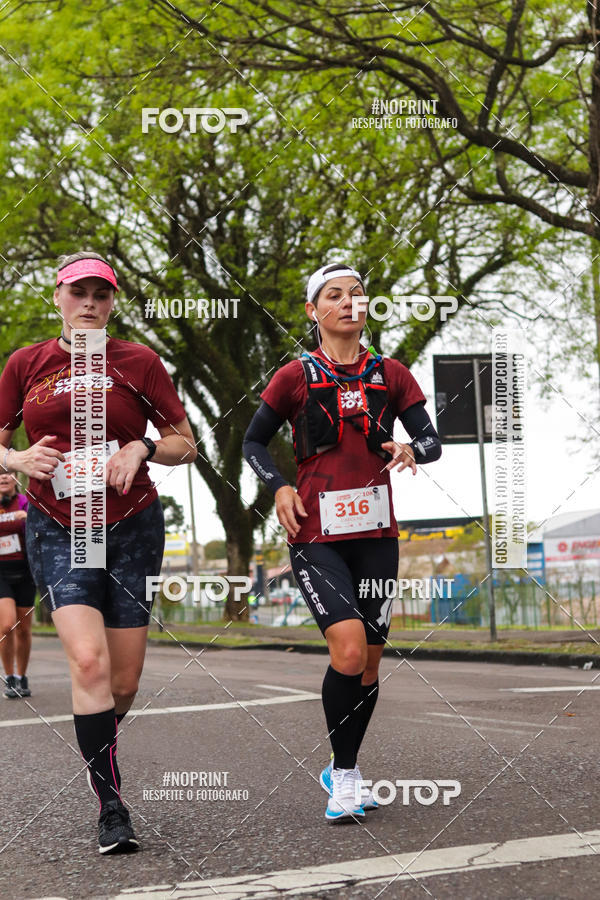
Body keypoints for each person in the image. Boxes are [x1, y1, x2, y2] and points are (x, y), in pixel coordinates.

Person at [0, 251, 197, 853]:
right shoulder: (26, 364)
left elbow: (184, 441)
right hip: (59, 524)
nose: (89, 303)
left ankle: (98, 745)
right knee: (89, 664)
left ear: (113, 302)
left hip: (132, 525)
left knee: (124, 680)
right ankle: (111, 805)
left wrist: (140, 447)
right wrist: (16, 459)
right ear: (57, 296)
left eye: (101, 294)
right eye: (78, 292)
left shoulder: (138, 361)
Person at [243, 263, 442, 822]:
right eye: (335, 296)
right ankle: (347, 778)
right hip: (315, 533)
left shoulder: (391, 373)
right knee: (348, 650)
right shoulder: (294, 377)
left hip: (377, 535)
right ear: (314, 311)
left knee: (371, 665)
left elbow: (431, 442)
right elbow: (253, 441)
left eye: (358, 294)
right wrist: (278, 485)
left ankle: (342, 764)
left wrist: (410, 448)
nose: (350, 303)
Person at [0, 472, 36, 699]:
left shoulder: (25, 503)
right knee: (6, 626)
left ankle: (22, 678)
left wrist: (27, 518)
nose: (3, 478)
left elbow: (38, 531)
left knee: (23, 630)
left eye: (6, 474)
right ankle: (9, 676)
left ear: (15, 478)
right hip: (0, 572)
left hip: (25, 571)